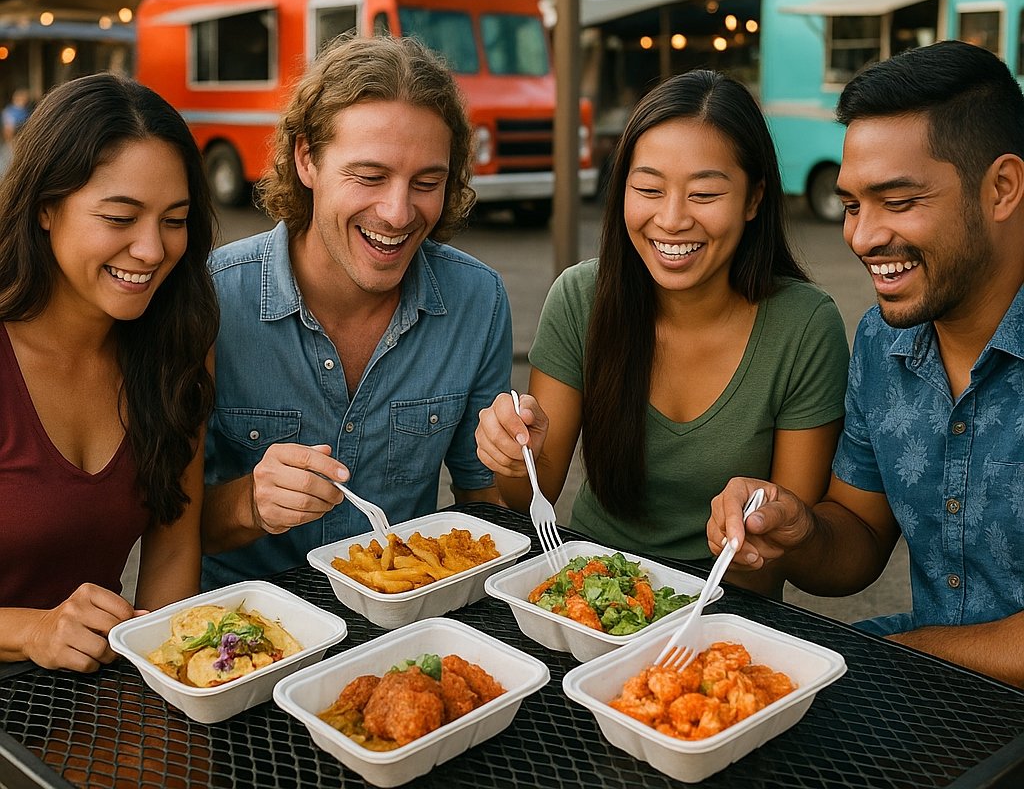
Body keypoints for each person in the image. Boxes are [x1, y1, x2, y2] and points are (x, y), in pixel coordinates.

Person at [708, 40, 1024, 686]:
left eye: (899, 202)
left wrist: (901, 658)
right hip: (935, 679)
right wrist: (796, 529)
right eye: (853, 205)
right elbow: (858, 539)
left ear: (1002, 188)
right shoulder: (883, 341)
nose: (863, 236)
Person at [475, 70, 849, 593]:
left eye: (704, 194)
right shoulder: (580, 298)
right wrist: (517, 459)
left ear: (754, 199)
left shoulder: (804, 326)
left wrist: (754, 532)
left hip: (725, 612)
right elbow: (530, 499)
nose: (671, 220)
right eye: (649, 189)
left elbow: (783, 545)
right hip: (591, 592)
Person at [201, 36, 509, 588]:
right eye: (369, 177)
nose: (397, 213)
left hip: (407, 623)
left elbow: (485, 504)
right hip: (246, 626)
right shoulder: (212, 299)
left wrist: (516, 458)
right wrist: (249, 503)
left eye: (427, 183)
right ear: (307, 159)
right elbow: (161, 528)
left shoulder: (477, 300)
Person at [0, 74, 218, 672]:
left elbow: (173, 547)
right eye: (121, 218)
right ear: (45, 208)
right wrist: (32, 631)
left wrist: (169, 679)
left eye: (174, 220)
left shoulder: (178, 347)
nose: (152, 250)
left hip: (94, 694)